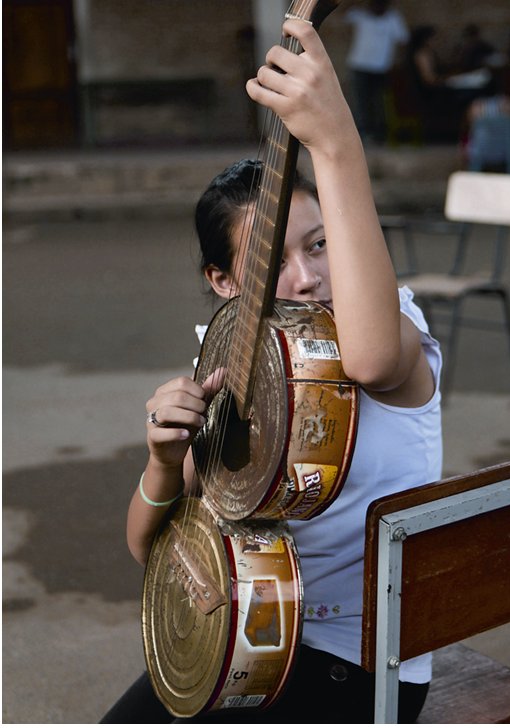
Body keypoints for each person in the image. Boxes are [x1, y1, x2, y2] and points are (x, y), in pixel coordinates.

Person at [101, 16, 442, 725]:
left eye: (320, 245)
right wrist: (165, 460)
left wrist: (336, 144)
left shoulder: (396, 333)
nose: (310, 276)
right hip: (248, 644)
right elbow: (146, 546)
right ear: (227, 282)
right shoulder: (233, 368)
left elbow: (372, 358)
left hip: (357, 668)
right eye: (275, 262)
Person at [344, 0, 410, 144]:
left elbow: (402, 41)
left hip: (382, 67)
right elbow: (345, 13)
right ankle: (364, 133)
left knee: (381, 102)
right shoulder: (360, 14)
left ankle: (381, 134)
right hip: (360, 65)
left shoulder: (393, 18)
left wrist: (397, 63)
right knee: (362, 101)